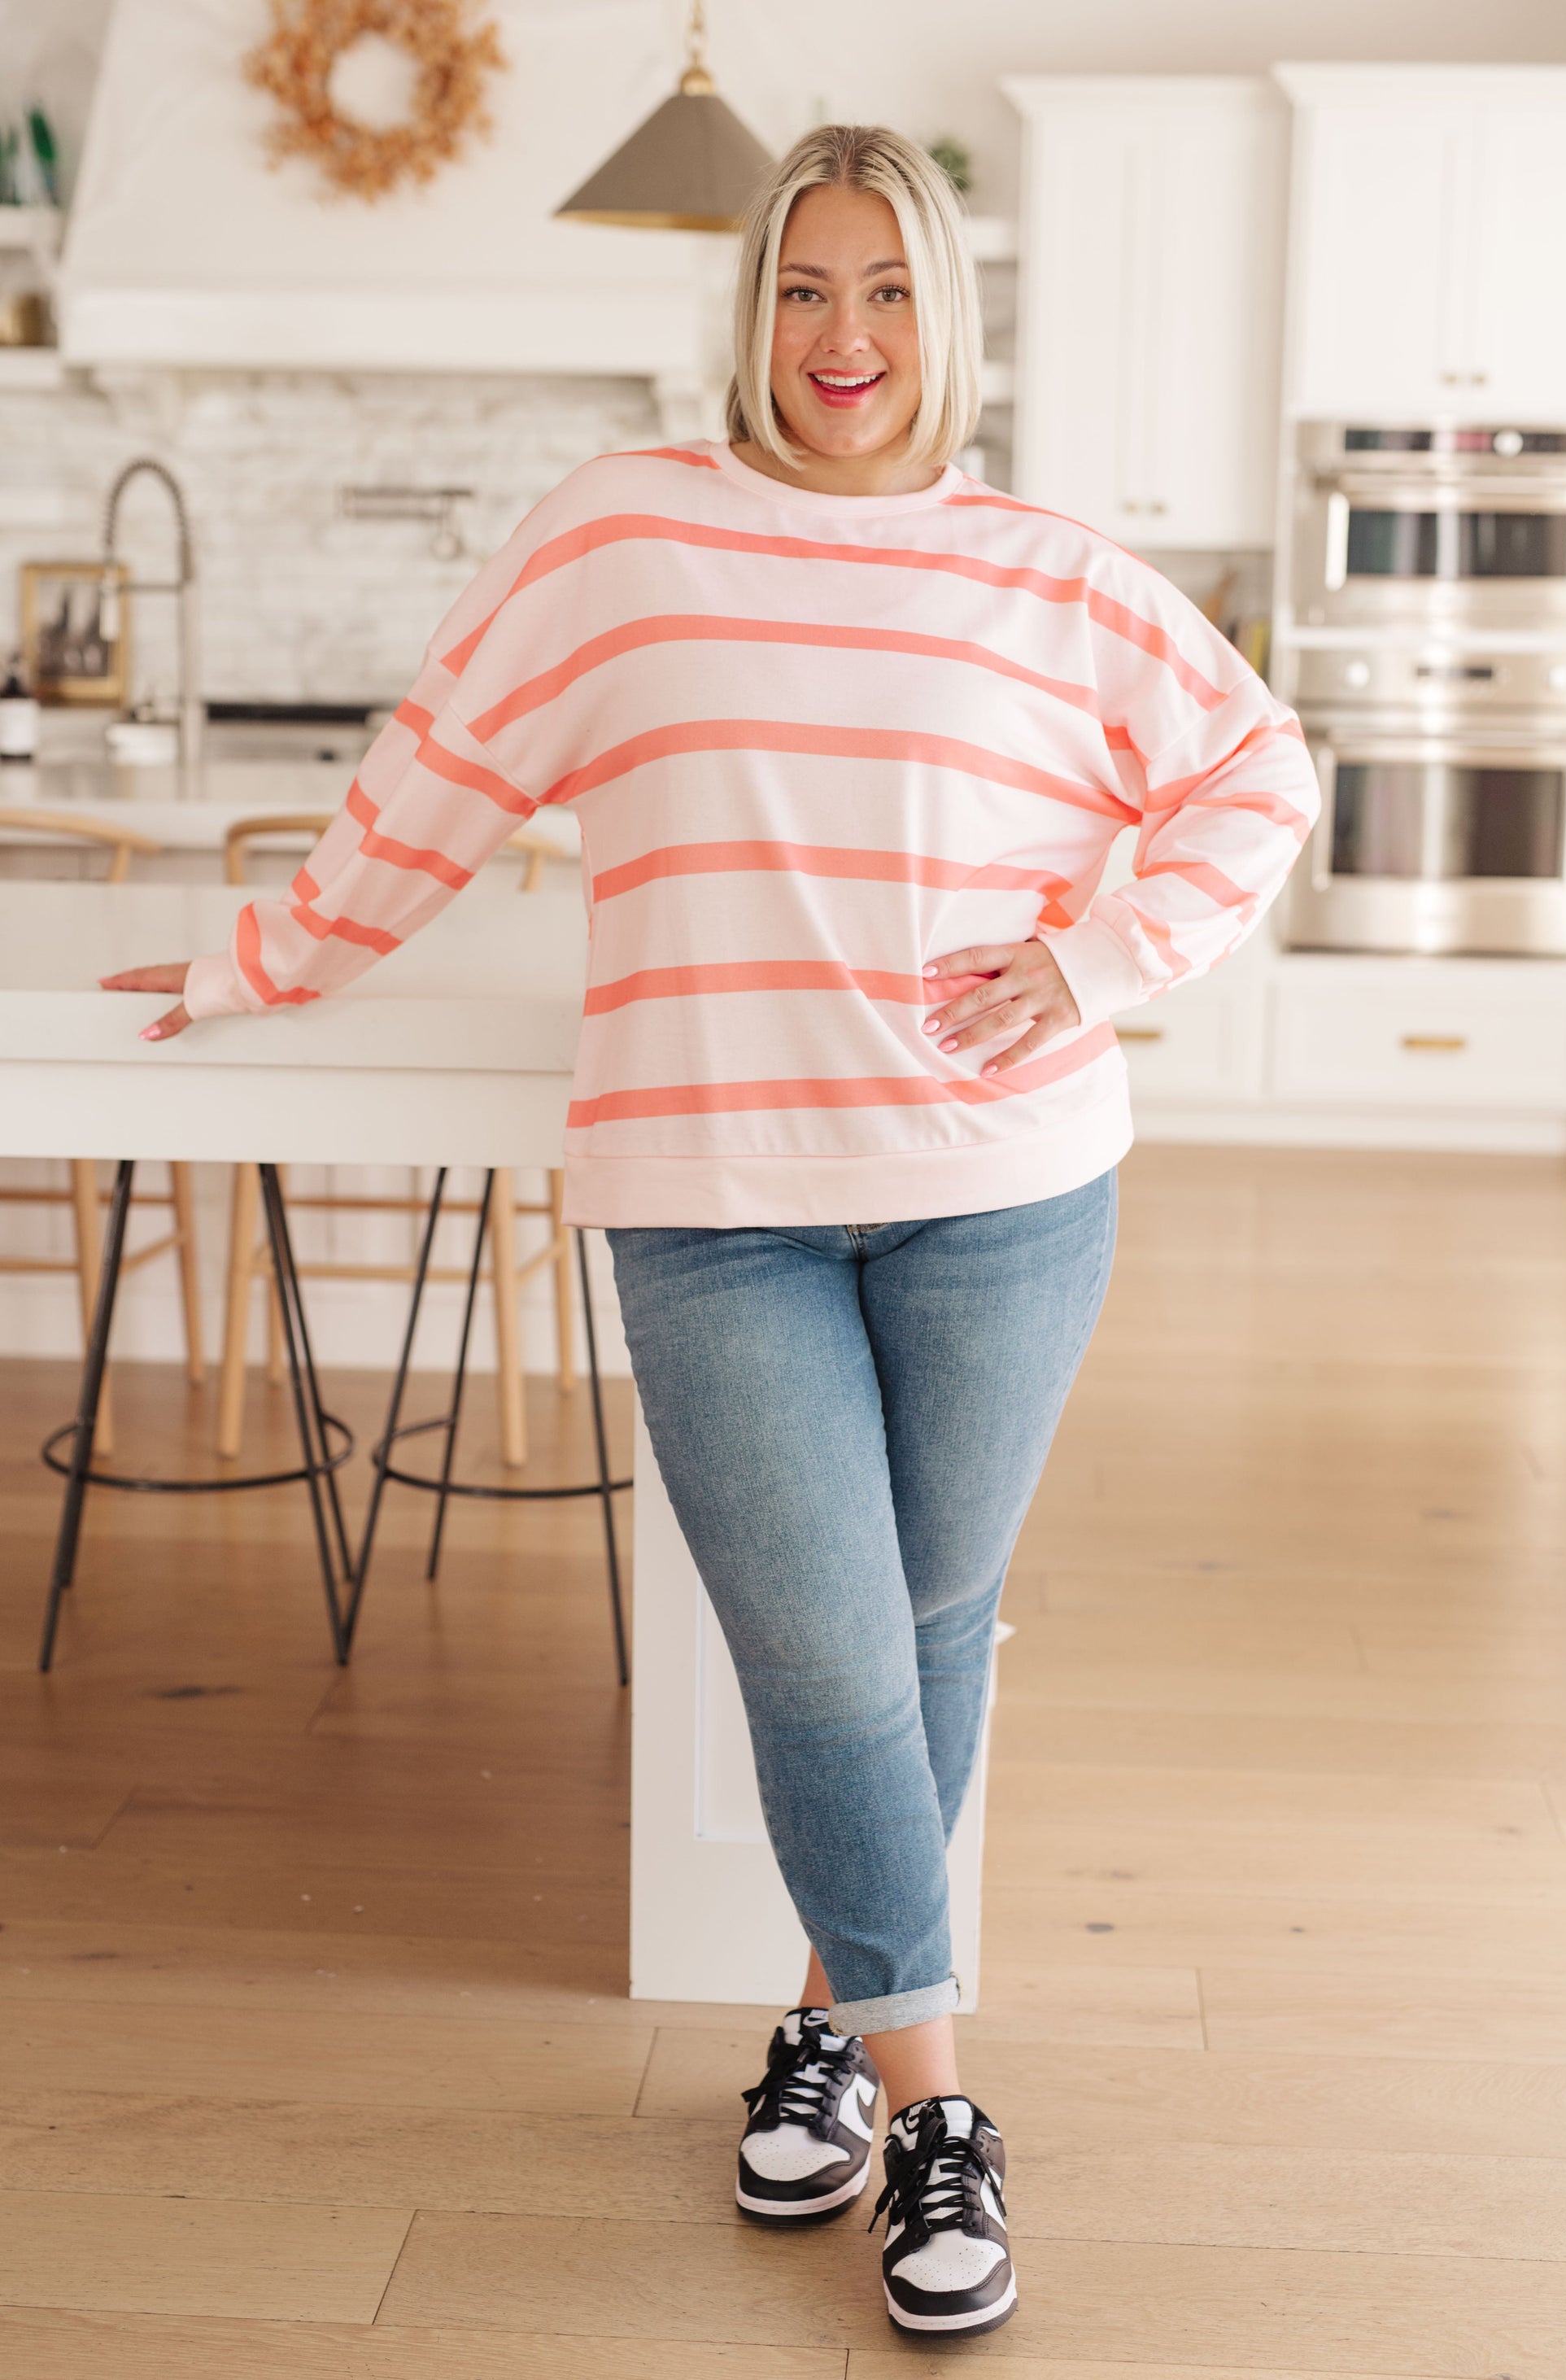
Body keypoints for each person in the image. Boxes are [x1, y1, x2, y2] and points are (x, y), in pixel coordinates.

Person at [104, 124, 1319, 2341]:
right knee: (829, 1657)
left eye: (885, 289)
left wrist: (1100, 958)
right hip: (715, 1201)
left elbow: (1261, 771)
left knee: (924, 1640)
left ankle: (827, 2035)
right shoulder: (624, 533)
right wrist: (249, 963)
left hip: (1004, 1195)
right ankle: (939, 2112)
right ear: (749, 311)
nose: (841, 337)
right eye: (801, 288)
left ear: (945, 314)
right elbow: (436, 775)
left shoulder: (1048, 572)